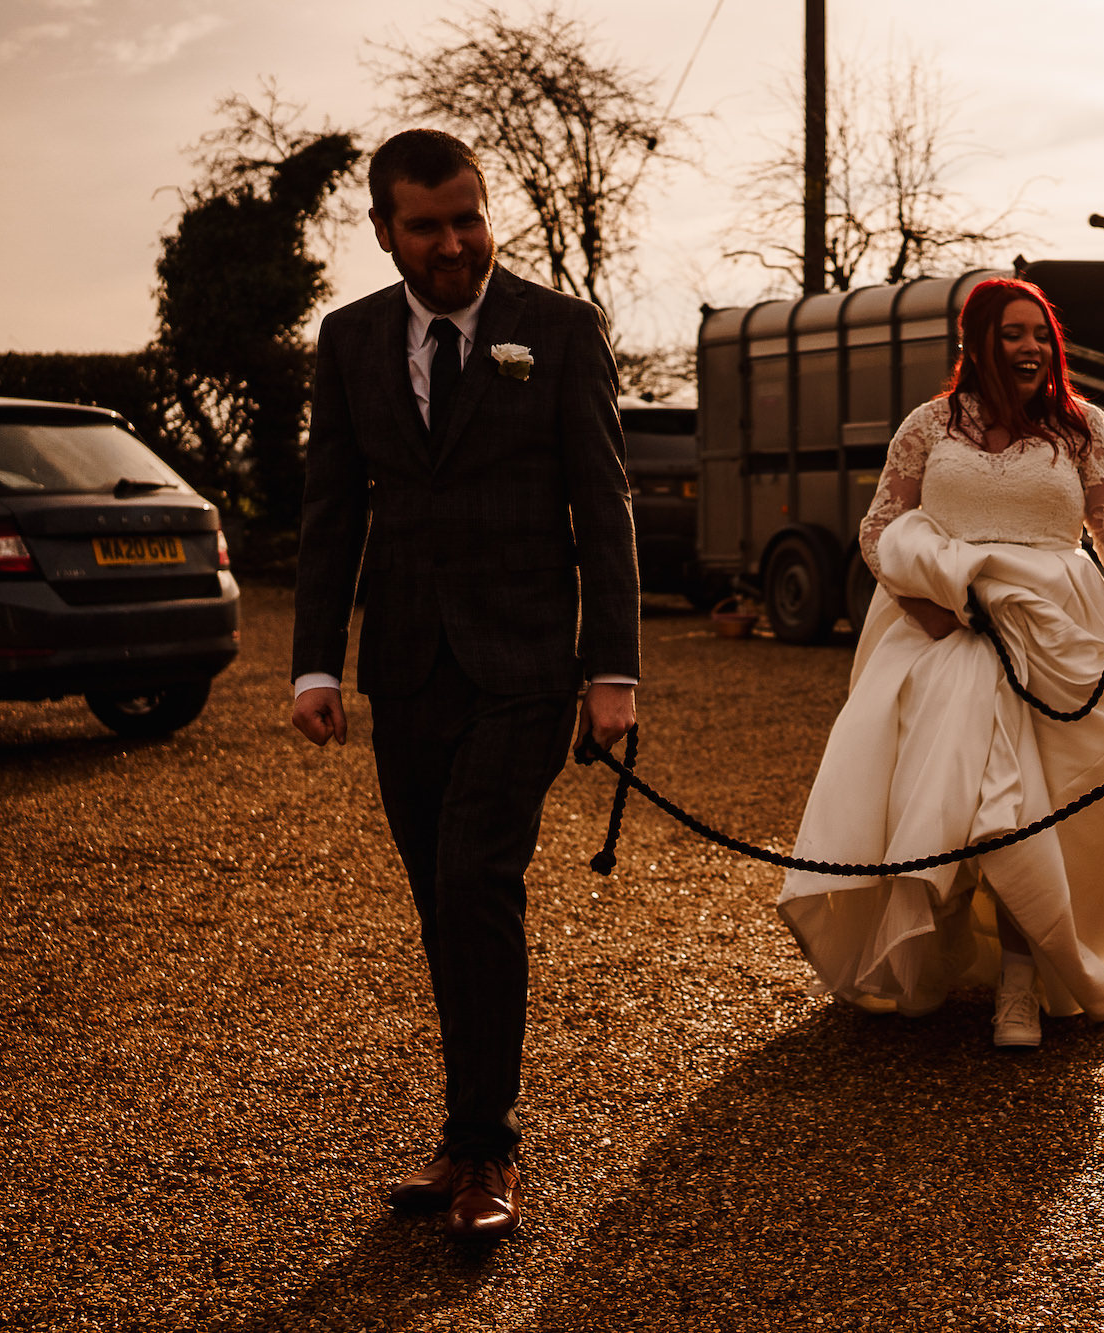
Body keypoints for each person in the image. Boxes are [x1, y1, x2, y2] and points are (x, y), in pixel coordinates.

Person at [289, 129, 640, 1239]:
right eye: (428, 225)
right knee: (441, 905)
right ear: (386, 230)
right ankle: (460, 1136)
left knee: (476, 880)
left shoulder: (558, 329)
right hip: (406, 665)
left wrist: (612, 669)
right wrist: (314, 664)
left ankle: (489, 1155)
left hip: (526, 664)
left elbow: (604, 504)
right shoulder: (347, 341)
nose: (454, 243)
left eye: (468, 218)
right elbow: (332, 509)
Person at [776, 277, 1104, 1049]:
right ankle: (935, 958)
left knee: (1041, 809)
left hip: (1058, 631)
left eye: (1040, 334)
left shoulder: (1082, 426)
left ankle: (1022, 984)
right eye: (1012, 334)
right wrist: (926, 605)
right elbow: (878, 527)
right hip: (945, 635)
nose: (1030, 347)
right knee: (971, 801)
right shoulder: (928, 427)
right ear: (978, 343)